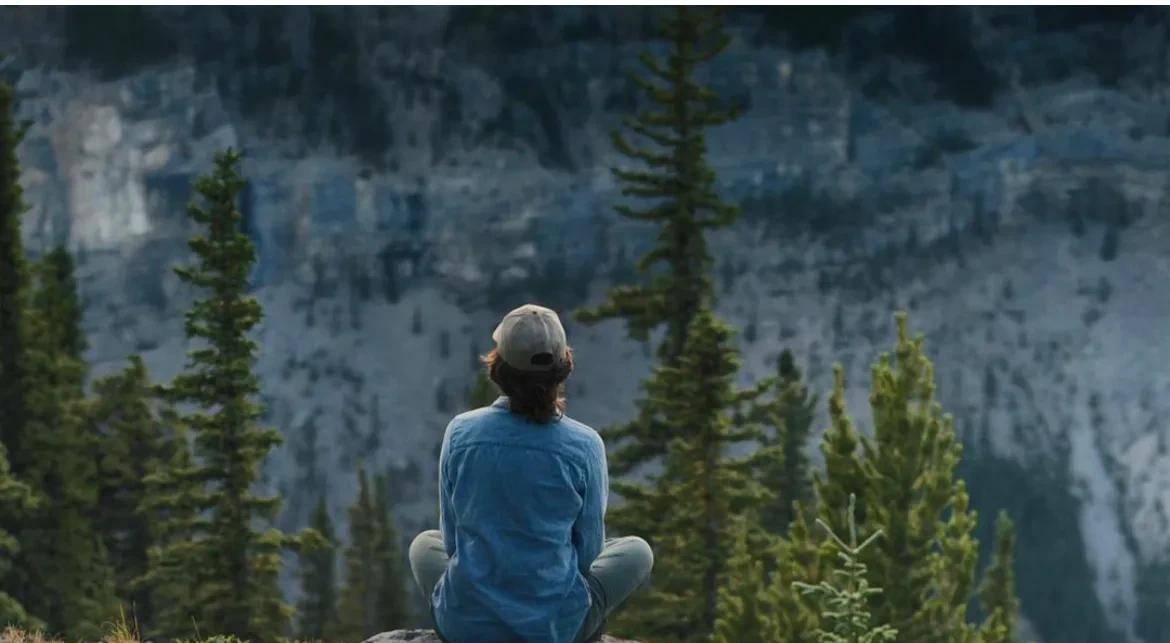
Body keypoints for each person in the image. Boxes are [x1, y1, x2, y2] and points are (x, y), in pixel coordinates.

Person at [409, 303, 654, 643]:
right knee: (637, 550)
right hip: (553, 629)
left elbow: (451, 541)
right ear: (564, 366)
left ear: (499, 366)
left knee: (425, 544)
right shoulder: (585, 446)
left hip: (466, 627)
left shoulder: (460, 432)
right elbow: (588, 553)